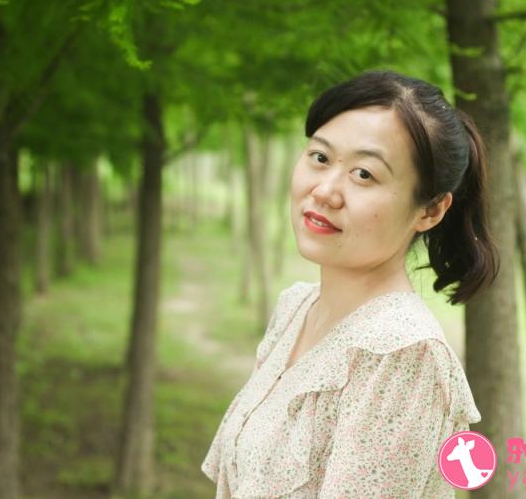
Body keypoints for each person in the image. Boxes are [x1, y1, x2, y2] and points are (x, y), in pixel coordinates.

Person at [201, 69, 500, 497]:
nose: (325, 191)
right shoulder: (297, 308)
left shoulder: (401, 356)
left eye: (364, 174)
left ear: (430, 210)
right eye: (320, 158)